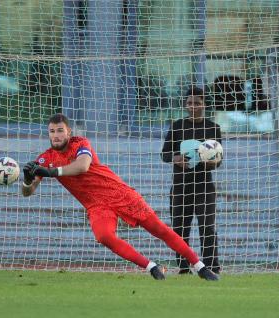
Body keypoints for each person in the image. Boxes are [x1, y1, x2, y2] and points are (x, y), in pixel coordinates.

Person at [21, 113, 219, 281]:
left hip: (118, 193)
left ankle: (200, 266)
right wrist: (28, 180)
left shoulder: (80, 143)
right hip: (97, 205)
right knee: (104, 236)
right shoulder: (45, 158)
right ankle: (151, 267)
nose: (56, 135)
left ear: (69, 132)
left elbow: (82, 166)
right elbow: (27, 192)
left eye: (60, 130)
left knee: (159, 229)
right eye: (52, 131)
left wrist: (49, 172)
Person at [161, 86, 222, 275]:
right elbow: (164, 154)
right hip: (180, 187)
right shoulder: (177, 126)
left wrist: (211, 162)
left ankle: (212, 267)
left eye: (197, 102)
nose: (193, 106)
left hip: (204, 186)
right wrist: (176, 158)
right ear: (185, 105)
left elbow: (218, 160)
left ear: (204, 104)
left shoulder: (213, 128)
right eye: (189, 103)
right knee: (179, 229)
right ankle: (183, 267)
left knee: (207, 228)